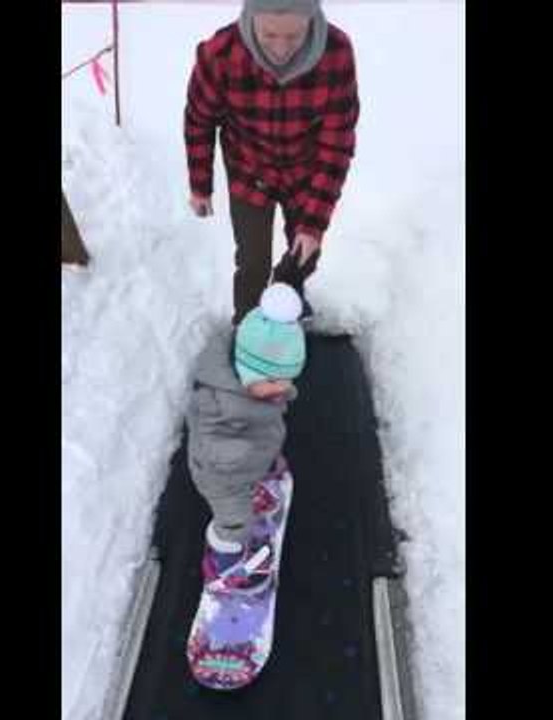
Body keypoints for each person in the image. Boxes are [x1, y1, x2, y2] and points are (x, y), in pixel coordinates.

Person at [184, 0, 360, 324]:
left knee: (305, 254)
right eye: (269, 35)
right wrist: (200, 186)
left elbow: (337, 144)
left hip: (306, 174)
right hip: (249, 170)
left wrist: (312, 226)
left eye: (294, 36)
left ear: (312, 19)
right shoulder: (220, 54)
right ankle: (248, 324)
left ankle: (285, 305)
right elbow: (199, 121)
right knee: (253, 262)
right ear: (251, 17)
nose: (281, 48)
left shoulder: (336, 53)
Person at [185, 283, 306, 592]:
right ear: (250, 371)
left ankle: (261, 466)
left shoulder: (256, 384)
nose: (284, 387)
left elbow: (266, 416)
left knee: (266, 431)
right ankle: (222, 565)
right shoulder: (218, 403)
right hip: (222, 477)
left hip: (249, 453)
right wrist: (242, 456)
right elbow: (209, 446)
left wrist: (259, 455)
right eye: (275, 381)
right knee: (235, 523)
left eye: (286, 380)